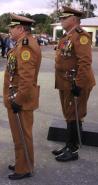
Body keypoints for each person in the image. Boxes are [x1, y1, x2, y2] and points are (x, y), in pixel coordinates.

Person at [52, 6, 96, 162]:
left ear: (73, 19)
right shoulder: (67, 36)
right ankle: (68, 145)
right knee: (69, 114)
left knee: (75, 115)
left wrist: (79, 83)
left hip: (76, 83)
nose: (61, 20)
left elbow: (85, 62)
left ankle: (73, 149)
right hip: (66, 82)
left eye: (64, 18)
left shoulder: (80, 36)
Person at [3, 13, 41, 180]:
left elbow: (27, 79)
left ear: (20, 28)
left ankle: (24, 167)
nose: (9, 30)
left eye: (12, 27)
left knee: (22, 134)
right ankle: (22, 161)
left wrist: (18, 100)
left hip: (21, 98)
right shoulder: (21, 44)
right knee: (19, 134)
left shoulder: (25, 46)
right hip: (18, 95)